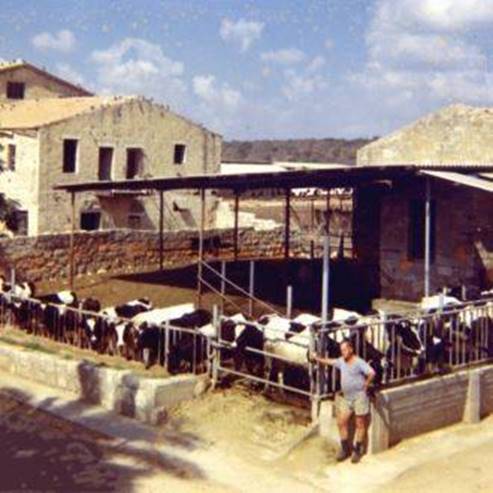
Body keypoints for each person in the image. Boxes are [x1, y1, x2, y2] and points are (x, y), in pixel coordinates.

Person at [311, 338, 375, 464]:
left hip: (359, 397)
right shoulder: (341, 362)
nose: (343, 352)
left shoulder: (358, 362)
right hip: (347, 397)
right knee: (341, 422)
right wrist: (317, 358)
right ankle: (345, 449)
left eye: (345, 349)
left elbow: (371, 372)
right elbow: (330, 361)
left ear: (351, 349)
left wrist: (366, 384)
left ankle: (357, 450)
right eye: (342, 350)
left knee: (360, 424)